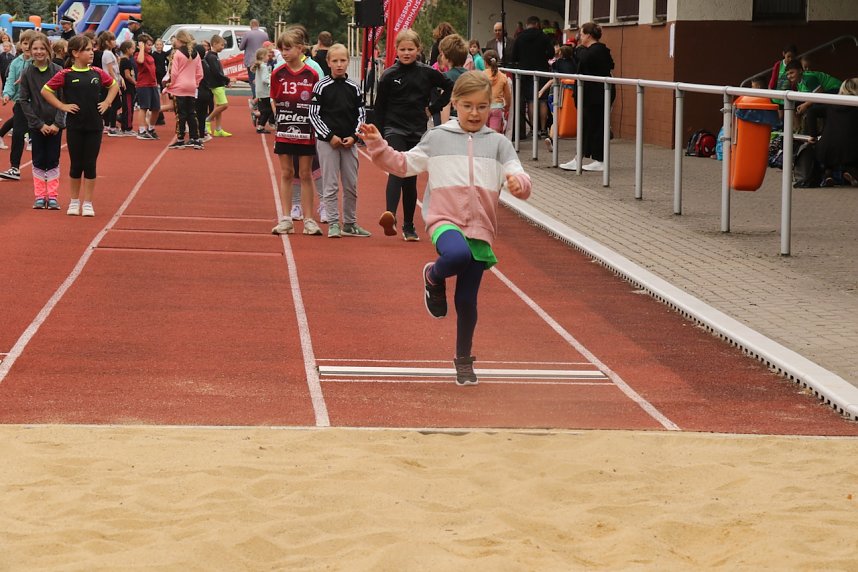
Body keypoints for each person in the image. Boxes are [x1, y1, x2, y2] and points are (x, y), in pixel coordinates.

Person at [358, 71, 532, 385]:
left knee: (466, 302)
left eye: (482, 107)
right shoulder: (437, 138)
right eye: (468, 106)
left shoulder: (499, 144)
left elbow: (518, 173)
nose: (475, 113)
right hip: (445, 220)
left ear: (490, 106)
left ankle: (463, 359)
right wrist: (378, 145)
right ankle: (432, 275)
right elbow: (402, 164)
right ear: (454, 104)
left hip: (481, 227)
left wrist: (518, 184)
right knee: (456, 255)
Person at [374, 29, 453, 242]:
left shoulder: (427, 72)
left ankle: (409, 226)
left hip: (417, 130)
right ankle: (390, 214)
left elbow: (449, 86)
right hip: (394, 128)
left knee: (410, 178)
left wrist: (433, 107)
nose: (406, 53)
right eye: (402, 49)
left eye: (410, 49)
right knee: (397, 169)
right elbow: (379, 107)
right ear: (396, 50)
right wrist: (378, 135)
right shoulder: (389, 75)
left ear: (418, 49)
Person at [42, 34, 119, 217]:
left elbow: (114, 85)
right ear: (75, 53)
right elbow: (46, 90)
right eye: (87, 49)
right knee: (76, 165)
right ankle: (74, 201)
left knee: (90, 164)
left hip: (94, 126)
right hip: (75, 126)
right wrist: (62, 106)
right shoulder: (65, 74)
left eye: (92, 49)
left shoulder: (97, 72)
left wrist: (107, 102)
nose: (91, 52)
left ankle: (88, 203)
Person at [308, 43, 371, 238]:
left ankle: (350, 223)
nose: (339, 64)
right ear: (328, 62)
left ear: (348, 62)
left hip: (349, 142)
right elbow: (314, 115)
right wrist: (330, 136)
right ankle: (334, 222)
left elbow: (361, 114)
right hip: (328, 143)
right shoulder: (320, 86)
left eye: (343, 60)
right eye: (335, 61)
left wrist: (354, 136)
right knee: (330, 184)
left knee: (351, 184)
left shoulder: (354, 87)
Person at [269, 29, 321, 236]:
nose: (284, 52)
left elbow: (317, 102)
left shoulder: (312, 74)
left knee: (306, 173)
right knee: (287, 172)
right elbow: (274, 99)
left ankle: (309, 220)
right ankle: (286, 218)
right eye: (282, 49)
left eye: (288, 48)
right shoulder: (277, 73)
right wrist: (280, 119)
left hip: (305, 131)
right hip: (284, 130)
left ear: (300, 49)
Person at [560, 22, 614, 172]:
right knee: (587, 126)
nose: (580, 37)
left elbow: (585, 60)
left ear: (589, 35)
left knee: (596, 127)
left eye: (582, 34)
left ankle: (598, 159)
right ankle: (581, 157)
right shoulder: (591, 51)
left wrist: (579, 50)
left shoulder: (596, 51)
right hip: (591, 95)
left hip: (596, 95)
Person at [18, 33, 64, 209]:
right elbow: (23, 100)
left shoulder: (58, 71)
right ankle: (39, 196)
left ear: (48, 49)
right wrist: (38, 124)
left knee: (53, 159)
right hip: (37, 126)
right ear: (29, 51)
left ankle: (52, 196)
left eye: (42, 48)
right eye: (35, 48)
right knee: (38, 159)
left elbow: (63, 99)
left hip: (55, 125)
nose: (39, 52)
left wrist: (57, 124)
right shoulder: (27, 72)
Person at [0, 29, 37, 181]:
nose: (27, 46)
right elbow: (10, 80)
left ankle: (45, 167)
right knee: (17, 134)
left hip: (38, 104)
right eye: (25, 43)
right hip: (22, 103)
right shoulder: (16, 62)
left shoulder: (39, 61)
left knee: (40, 134)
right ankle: (14, 167)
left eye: (31, 43)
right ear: (20, 45)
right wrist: (7, 94)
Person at [510, 16, 554, 138]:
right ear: (537, 24)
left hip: (526, 73)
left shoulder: (520, 37)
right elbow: (551, 54)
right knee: (543, 100)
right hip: (542, 71)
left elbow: (514, 57)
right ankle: (543, 129)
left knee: (530, 100)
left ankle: (533, 129)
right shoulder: (544, 37)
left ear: (527, 24)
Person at [165, 29, 203, 150]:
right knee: (192, 113)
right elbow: (200, 73)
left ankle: (180, 139)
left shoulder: (177, 54)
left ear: (180, 40)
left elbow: (174, 72)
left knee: (181, 114)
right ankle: (195, 138)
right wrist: (195, 83)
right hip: (191, 86)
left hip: (179, 87)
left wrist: (170, 84)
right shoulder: (196, 54)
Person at [204, 34, 231, 137]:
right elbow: (216, 72)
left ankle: (218, 129)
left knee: (219, 106)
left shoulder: (214, 56)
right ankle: (208, 120)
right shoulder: (211, 57)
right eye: (221, 45)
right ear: (214, 44)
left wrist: (225, 81)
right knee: (224, 105)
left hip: (219, 84)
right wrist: (227, 79)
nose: (222, 47)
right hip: (216, 85)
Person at [133, 33, 160, 139]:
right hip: (143, 85)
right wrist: (141, 48)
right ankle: (141, 130)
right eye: (148, 45)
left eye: (150, 45)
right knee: (144, 107)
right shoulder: (138, 55)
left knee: (156, 108)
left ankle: (151, 128)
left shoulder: (150, 56)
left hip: (153, 84)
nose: (150, 47)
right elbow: (140, 61)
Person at [438, 34, 468, 122]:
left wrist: (444, 126)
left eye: (442, 54)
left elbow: (445, 104)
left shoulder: (446, 77)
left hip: (453, 120)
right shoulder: (469, 75)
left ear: (448, 58)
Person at [239, 19, 269, 98]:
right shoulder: (265, 35)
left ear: (251, 25)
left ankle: (255, 97)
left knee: (253, 80)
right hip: (263, 59)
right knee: (262, 78)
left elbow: (241, 47)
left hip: (251, 61)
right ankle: (261, 97)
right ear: (258, 25)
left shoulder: (247, 34)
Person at [482, 49, 510, 134]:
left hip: (484, 107)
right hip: (497, 107)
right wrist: (507, 106)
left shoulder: (482, 75)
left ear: (485, 63)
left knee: (483, 132)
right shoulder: (503, 76)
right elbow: (507, 96)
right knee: (494, 133)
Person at [250, 47, 273, 134]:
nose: (269, 57)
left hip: (260, 91)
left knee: (265, 108)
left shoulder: (260, 66)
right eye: (267, 55)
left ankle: (258, 118)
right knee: (269, 109)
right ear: (263, 56)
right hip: (265, 92)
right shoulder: (263, 66)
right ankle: (260, 126)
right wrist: (271, 82)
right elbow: (264, 79)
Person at [117, 40, 136, 135]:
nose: (134, 50)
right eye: (132, 48)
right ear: (127, 49)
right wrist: (135, 83)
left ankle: (125, 126)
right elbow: (127, 75)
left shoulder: (123, 60)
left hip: (127, 87)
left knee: (127, 107)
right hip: (128, 88)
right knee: (128, 108)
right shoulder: (125, 61)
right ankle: (127, 127)